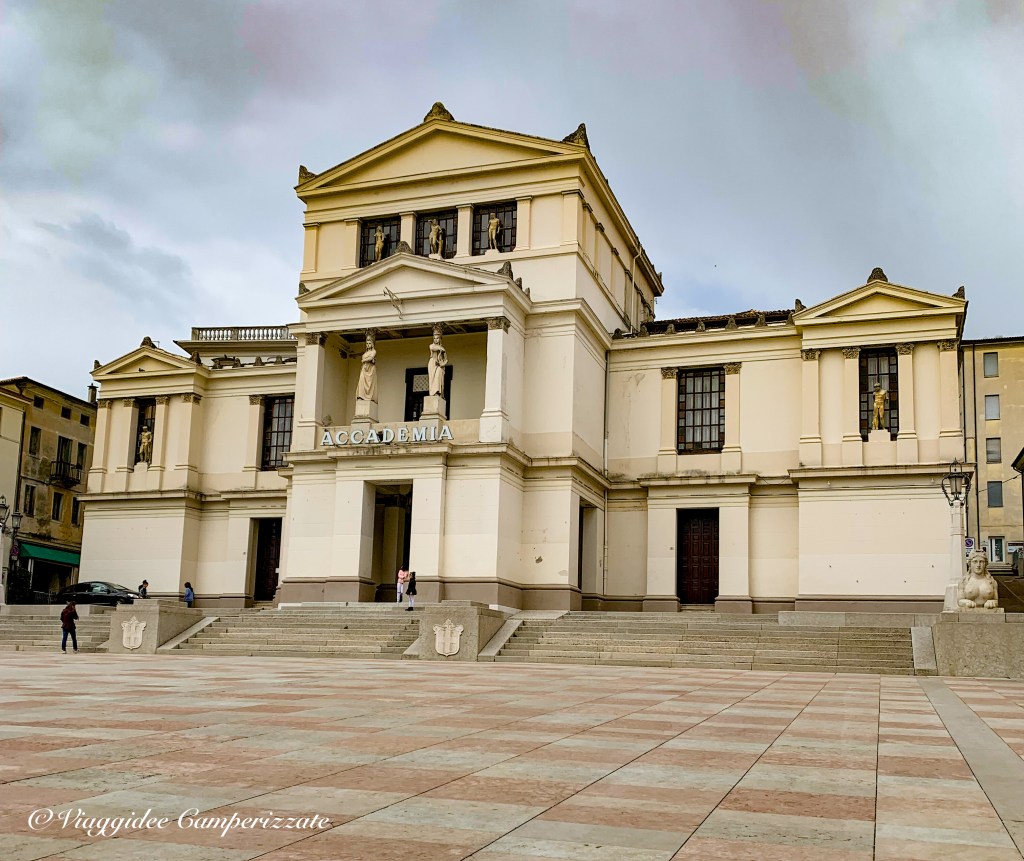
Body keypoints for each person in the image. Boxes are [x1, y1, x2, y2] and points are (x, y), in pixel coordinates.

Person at [356, 332, 377, 403]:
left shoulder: (373, 351)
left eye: (369, 343)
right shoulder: (365, 353)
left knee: (369, 384)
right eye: (367, 343)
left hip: (370, 370)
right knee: (361, 380)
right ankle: (361, 395)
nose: (368, 345)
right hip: (364, 369)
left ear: (372, 344)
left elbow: (371, 358)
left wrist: (364, 360)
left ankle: (368, 396)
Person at [427, 331, 447, 397]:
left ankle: (438, 392)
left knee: (438, 375)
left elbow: (446, 360)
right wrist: (442, 349)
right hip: (432, 363)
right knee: (432, 379)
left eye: (437, 338)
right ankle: (432, 393)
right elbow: (433, 348)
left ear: (440, 339)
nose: (436, 340)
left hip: (439, 365)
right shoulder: (432, 346)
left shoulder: (442, 349)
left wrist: (442, 364)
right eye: (434, 338)